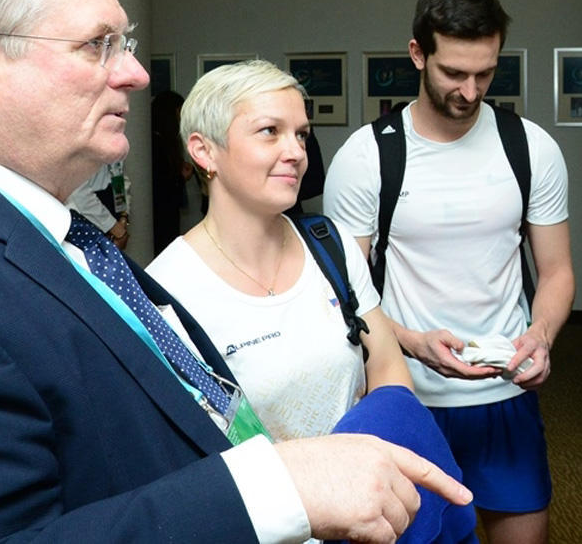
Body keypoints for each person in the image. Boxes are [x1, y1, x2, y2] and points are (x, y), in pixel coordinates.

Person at [0, 0, 470, 543]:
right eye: (98, 45)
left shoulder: (49, 231)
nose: (137, 74)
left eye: (126, 43)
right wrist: (278, 489)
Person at [324, 0, 575, 544]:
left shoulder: (530, 147)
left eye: (485, 73)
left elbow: (557, 271)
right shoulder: (367, 157)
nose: (470, 90)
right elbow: (340, 296)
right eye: (453, 73)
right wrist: (413, 343)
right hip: (406, 397)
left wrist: (541, 334)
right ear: (418, 54)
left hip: (505, 400)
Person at [147, 60, 411, 442]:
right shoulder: (166, 292)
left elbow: (388, 366)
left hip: (368, 492)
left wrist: (375, 455)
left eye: (301, 135)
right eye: (270, 131)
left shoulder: (329, 245)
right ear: (204, 152)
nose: (297, 152)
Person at [151, 89, 190, 252]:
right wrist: (181, 178)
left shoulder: (162, 141)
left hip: (165, 214)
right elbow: (161, 186)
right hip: (161, 215)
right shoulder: (155, 143)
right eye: (180, 112)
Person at [67, 160, 130, 248]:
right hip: (86, 221)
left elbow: (120, 177)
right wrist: (117, 230)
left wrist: (123, 217)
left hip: (113, 217)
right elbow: (79, 194)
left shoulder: (116, 148)